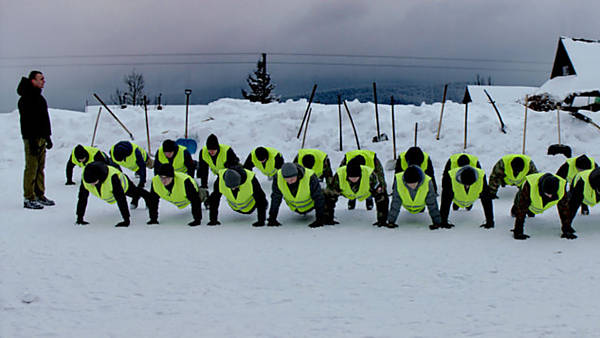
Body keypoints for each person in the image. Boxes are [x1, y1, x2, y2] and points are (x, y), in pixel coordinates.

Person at [17, 70, 54, 209]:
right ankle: (29, 198)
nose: (44, 81)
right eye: (41, 79)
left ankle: (40, 194)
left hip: (42, 138)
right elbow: (27, 122)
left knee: (40, 168)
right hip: (31, 138)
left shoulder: (40, 98)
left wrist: (48, 137)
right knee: (31, 168)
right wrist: (31, 140)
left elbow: (44, 119)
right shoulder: (25, 99)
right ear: (33, 80)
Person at [76, 161, 152, 227]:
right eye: (90, 183)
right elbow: (82, 198)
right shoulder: (86, 178)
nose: (91, 185)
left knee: (135, 192)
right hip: (111, 190)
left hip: (124, 185)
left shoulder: (112, 177)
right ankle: (137, 199)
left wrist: (126, 220)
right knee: (135, 194)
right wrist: (80, 218)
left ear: (99, 177)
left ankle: (148, 197)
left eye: (93, 182)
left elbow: (121, 199)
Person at [324, 160, 389, 226]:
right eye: (351, 177)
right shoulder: (339, 175)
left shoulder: (370, 175)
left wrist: (382, 220)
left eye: (356, 177)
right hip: (346, 193)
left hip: (366, 193)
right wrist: (328, 218)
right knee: (328, 196)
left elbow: (381, 197)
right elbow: (329, 197)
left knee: (382, 196)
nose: (353, 179)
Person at [510, 173, 574, 240]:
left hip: (538, 204)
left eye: (552, 194)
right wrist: (518, 231)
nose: (550, 196)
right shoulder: (530, 185)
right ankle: (515, 210)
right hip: (524, 197)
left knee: (532, 212)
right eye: (547, 193)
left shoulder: (562, 187)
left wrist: (567, 229)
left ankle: (531, 211)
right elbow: (522, 208)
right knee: (519, 207)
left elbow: (564, 208)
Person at [268, 162, 326, 228]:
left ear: (297, 175)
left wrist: (319, 219)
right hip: (294, 208)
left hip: (310, 206)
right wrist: (272, 218)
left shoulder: (310, 177)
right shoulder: (278, 177)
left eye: (292, 179)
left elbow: (318, 197)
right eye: (286, 180)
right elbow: (276, 198)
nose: (289, 182)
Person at [438, 165, 494, 230]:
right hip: (457, 198)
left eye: (469, 184)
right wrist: (443, 221)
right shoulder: (450, 177)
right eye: (465, 184)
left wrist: (490, 221)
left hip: (470, 199)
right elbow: (445, 201)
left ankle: (468, 205)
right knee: (450, 198)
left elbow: (486, 200)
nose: (467, 186)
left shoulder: (481, 177)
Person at [110, 140, 153, 208]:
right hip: (132, 165)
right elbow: (115, 167)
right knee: (138, 170)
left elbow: (142, 167)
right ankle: (137, 172)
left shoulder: (136, 153)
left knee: (152, 165)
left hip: (144, 160)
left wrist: (142, 182)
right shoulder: (112, 153)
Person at [565, 168, 600, 234]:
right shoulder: (582, 183)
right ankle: (584, 206)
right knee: (575, 200)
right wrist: (567, 226)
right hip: (577, 187)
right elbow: (573, 205)